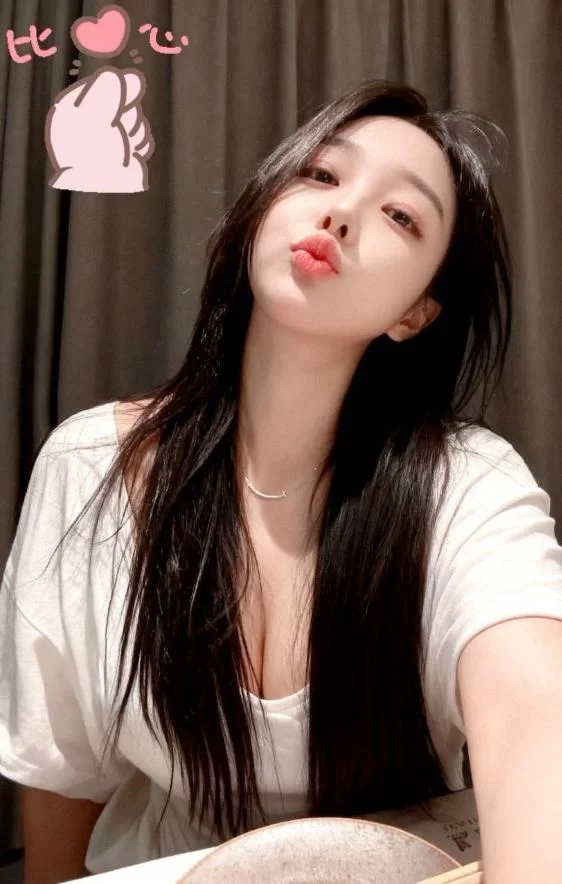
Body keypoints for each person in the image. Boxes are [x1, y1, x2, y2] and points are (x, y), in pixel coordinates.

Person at [1, 79, 562, 883]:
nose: (340, 213)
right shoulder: (90, 466)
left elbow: (537, 716)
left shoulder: (463, 486)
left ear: (415, 312)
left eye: (401, 216)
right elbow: (59, 769)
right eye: (322, 174)